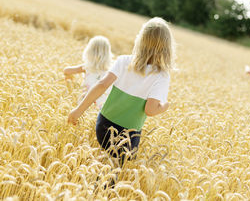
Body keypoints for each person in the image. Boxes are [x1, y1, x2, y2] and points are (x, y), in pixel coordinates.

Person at [68, 17, 174, 165]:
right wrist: (164, 107)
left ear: (140, 40)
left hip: (104, 123)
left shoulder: (123, 61)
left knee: (103, 157)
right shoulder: (161, 76)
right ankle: (100, 184)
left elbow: (101, 85)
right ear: (167, 48)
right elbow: (150, 110)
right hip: (128, 133)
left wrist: (78, 110)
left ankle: (88, 174)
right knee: (114, 168)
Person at [63, 36, 113, 109]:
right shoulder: (112, 70)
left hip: (85, 105)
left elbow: (66, 71)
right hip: (104, 106)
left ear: (89, 51)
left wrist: (71, 84)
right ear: (108, 53)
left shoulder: (86, 67)